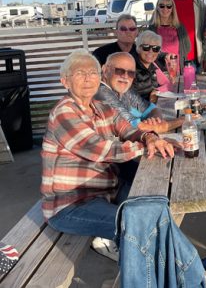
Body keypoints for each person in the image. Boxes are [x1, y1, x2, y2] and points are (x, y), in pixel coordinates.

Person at [41, 49, 178, 261]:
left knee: (158, 204)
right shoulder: (64, 112)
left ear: (100, 76)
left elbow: (127, 129)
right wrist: (147, 146)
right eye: (79, 73)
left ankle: (169, 271)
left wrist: (148, 138)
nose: (88, 78)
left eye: (92, 72)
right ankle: (179, 274)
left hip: (107, 192)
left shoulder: (101, 107)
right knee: (140, 227)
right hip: (71, 205)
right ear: (65, 81)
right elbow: (101, 150)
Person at [96, 52, 183, 133]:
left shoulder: (123, 89)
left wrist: (153, 120)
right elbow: (136, 128)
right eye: (119, 71)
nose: (125, 76)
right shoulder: (102, 92)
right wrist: (183, 120)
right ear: (105, 70)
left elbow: (152, 109)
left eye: (131, 73)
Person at [149, 0, 190, 73]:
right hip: (158, 70)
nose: (165, 9)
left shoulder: (180, 27)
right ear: (157, 7)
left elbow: (187, 47)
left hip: (177, 69)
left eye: (168, 6)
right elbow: (148, 51)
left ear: (172, 8)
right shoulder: (152, 28)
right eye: (162, 6)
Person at [132, 30, 172, 100]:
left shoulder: (153, 65)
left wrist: (156, 91)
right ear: (138, 48)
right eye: (146, 47)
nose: (151, 51)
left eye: (155, 48)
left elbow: (167, 84)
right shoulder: (131, 67)